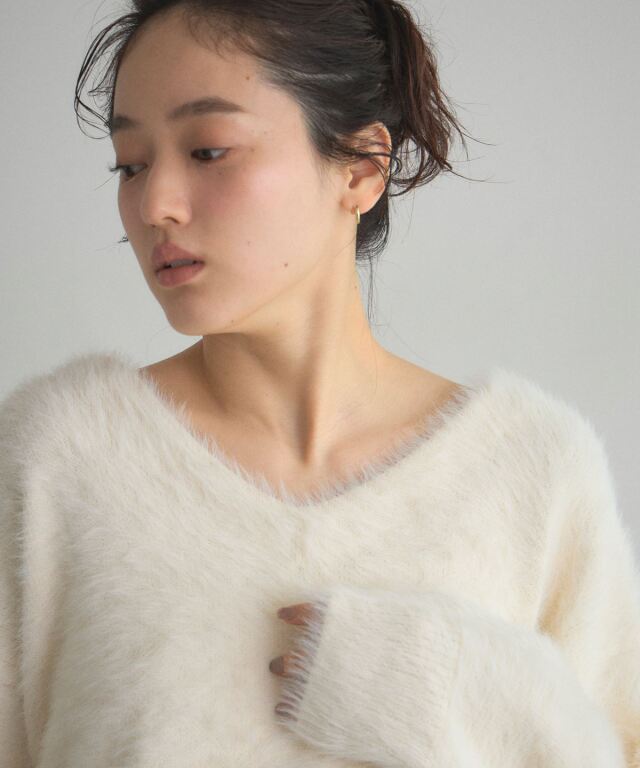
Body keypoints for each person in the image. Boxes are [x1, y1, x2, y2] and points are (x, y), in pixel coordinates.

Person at [1, 1, 639, 766]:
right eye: (130, 164)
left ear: (362, 168)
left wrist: (457, 686)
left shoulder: (533, 469)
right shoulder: (56, 460)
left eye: (207, 150)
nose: (153, 205)